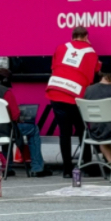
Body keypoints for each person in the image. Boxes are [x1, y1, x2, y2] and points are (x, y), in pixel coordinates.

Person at [0, 67, 50, 177]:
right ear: (5, 80)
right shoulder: (5, 92)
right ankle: (37, 168)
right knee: (33, 129)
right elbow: (15, 115)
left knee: (6, 126)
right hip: (3, 131)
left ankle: (7, 167)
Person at [45, 26, 99, 178]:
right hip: (74, 94)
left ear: (72, 35)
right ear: (86, 36)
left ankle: (67, 170)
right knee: (82, 130)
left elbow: (54, 66)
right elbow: (95, 70)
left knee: (65, 133)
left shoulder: (61, 47)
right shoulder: (90, 51)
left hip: (55, 91)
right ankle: (87, 165)